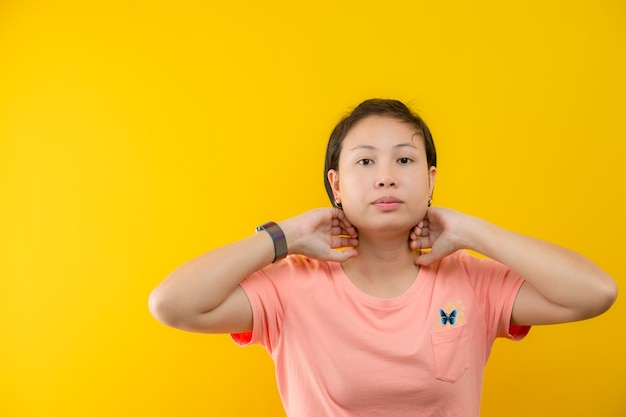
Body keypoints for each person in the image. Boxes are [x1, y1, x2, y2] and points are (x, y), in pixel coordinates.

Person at [148, 98, 617, 417]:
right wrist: (284, 236)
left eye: (405, 161)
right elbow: (172, 304)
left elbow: (596, 293)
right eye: (366, 162)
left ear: (431, 180)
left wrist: (472, 232)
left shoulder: (472, 281)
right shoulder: (290, 285)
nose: (386, 178)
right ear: (336, 183)